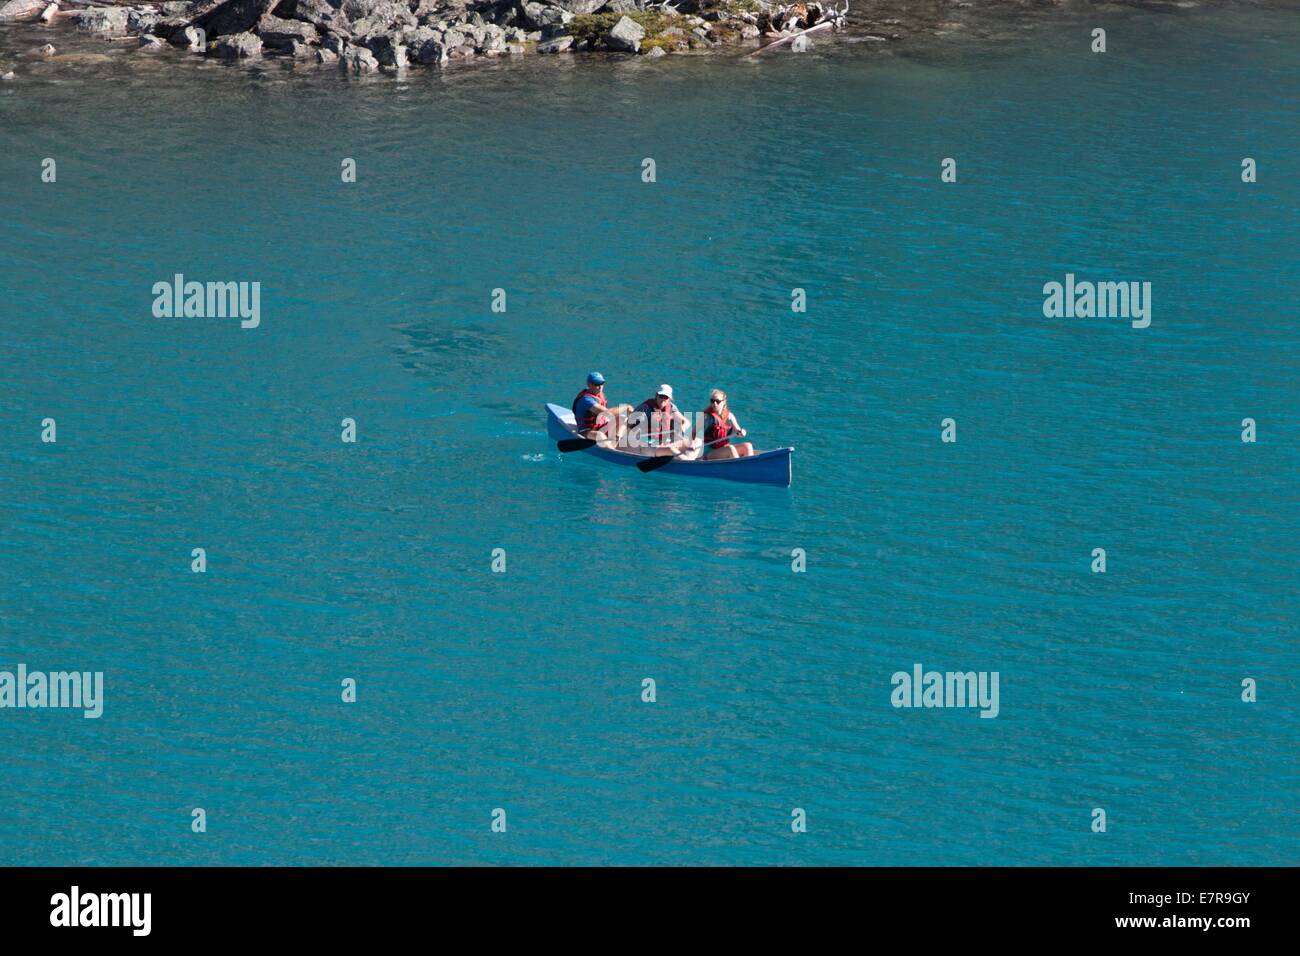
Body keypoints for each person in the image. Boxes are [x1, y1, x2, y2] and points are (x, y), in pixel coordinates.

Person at [630, 384, 691, 456]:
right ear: (656, 396)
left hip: (664, 443)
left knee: (690, 442)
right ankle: (679, 456)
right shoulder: (645, 407)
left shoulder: (672, 407)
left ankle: (684, 457)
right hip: (647, 443)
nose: (663, 400)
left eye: (666, 397)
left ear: (669, 399)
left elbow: (686, 422)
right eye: (661, 396)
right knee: (669, 449)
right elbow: (631, 425)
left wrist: (682, 428)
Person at [571, 372, 629, 445]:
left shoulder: (600, 394)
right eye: (596, 384)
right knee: (600, 435)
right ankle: (610, 449)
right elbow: (608, 413)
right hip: (587, 431)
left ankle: (616, 440)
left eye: (602, 383)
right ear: (589, 384)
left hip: (600, 427)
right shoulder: (585, 400)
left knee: (622, 418)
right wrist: (626, 407)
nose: (600, 386)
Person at [699, 389, 754, 459]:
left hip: (723, 449)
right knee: (730, 449)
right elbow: (694, 434)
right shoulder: (706, 417)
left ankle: (749, 465)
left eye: (717, 401)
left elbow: (738, 431)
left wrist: (741, 433)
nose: (715, 403)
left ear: (724, 402)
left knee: (748, 446)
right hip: (708, 452)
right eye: (712, 401)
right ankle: (738, 465)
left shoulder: (730, 416)